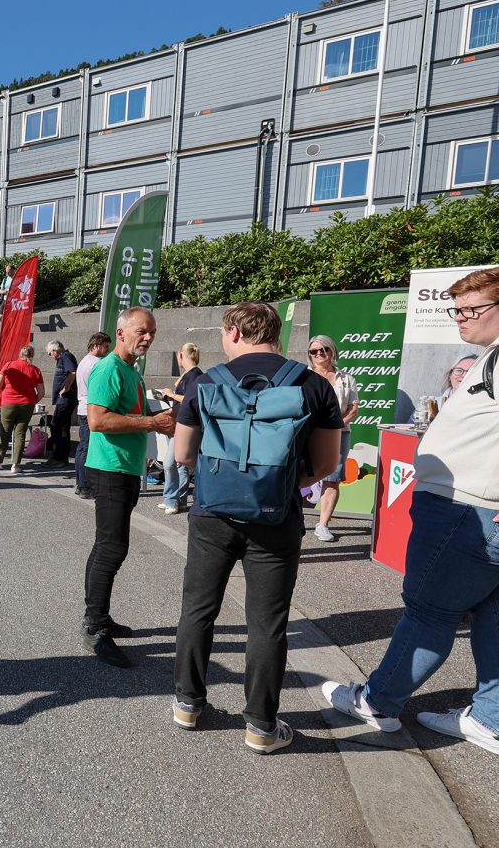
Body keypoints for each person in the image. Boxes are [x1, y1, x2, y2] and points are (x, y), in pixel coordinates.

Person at [321, 266, 499, 759]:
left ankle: (378, 701)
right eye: (456, 309)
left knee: (429, 611)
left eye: (470, 309)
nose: (460, 319)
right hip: (489, 513)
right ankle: (493, 722)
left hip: (475, 514)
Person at [171, 302, 343, 754]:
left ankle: (188, 704)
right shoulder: (312, 384)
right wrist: (277, 485)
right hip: (276, 518)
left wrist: (223, 479)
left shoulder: (205, 383)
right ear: (275, 333)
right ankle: (261, 728)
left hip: (212, 515)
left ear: (233, 332)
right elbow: (326, 463)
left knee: (198, 610)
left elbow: (183, 454)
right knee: (267, 623)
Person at [82, 309, 176, 668]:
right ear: (120, 333)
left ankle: (99, 618)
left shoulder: (130, 369)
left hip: (123, 468)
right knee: (111, 549)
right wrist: (151, 422)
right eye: (141, 331)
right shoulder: (108, 369)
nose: (148, 337)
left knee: (107, 547)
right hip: (109, 469)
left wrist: (154, 422)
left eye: (152, 332)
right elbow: (97, 420)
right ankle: (95, 627)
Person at [307, 334, 359, 542]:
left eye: (324, 350)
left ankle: (323, 524)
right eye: (314, 351)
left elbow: (353, 409)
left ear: (332, 351)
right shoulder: (303, 376)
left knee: (333, 479)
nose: (319, 354)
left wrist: (336, 425)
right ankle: (292, 520)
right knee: (298, 474)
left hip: (339, 433)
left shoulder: (346, 379)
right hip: (308, 432)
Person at [156, 342, 203, 513]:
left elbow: (189, 399)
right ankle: (178, 500)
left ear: (181, 355)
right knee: (179, 464)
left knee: (170, 463)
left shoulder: (194, 375)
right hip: (180, 423)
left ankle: (171, 500)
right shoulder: (191, 375)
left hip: (184, 425)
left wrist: (171, 394)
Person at [0, 344, 44, 474]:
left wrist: (4, 390)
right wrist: (32, 401)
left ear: (20, 354)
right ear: (32, 355)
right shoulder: (36, 370)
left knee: (5, 432)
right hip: (27, 404)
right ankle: (15, 465)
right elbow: (41, 392)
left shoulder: (9, 365)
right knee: (20, 435)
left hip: (9, 402)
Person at [74, 332, 111, 496]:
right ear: (95, 346)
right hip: (91, 409)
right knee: (87, 448)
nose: (107, 350)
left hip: (83, 408)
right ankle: (84, 486)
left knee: (82, 447)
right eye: (105, 346)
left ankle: (80, 483)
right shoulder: (97, 363)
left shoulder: (84, 361)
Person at [44, 340, 78, 468]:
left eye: (50, 353)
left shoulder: (66, 357)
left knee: (56, 425)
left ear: (55, 350)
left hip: (65, 399)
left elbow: (72, 372)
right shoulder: (63, 358)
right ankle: (62, 457)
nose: (50, 356)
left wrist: (66, 388)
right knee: (62, 427)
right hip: (64, 399)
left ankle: (59, 457)